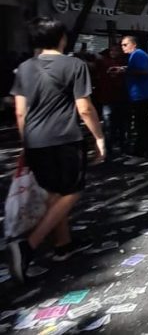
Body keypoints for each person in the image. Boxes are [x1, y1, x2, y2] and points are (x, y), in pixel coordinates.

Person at [7, 17, 105, 282]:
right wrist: (99, 138)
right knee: (72, 192)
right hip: (65, 138)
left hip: (35, 141)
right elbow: (84, 107)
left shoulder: (25, 68)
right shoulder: (74, 65)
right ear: (61, 38)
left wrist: (26, 142)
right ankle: (28, 245)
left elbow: (19, 113)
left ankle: (63, 246)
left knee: (53, 193)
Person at [117, 36, 148, 157]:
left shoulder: (138, 54)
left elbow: (144, 71)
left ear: (133, 44)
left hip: (141, 95)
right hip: (140, 94)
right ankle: (144, 148)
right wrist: (124, 68)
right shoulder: (136, 55)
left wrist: (125, 71)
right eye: (122, 45)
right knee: (142, 124)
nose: (123, 47)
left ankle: (145, 149)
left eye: (125, 44)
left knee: (142, 124)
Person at [93, 44, 127, 156]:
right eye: (111, 50)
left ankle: (121, 146)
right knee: (109, 125)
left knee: (119, 124)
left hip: (119, 97)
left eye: (115, 50)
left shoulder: (122, 62)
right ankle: (110, 148)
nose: (113, 52)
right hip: (108, 98)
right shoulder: (104, 62)